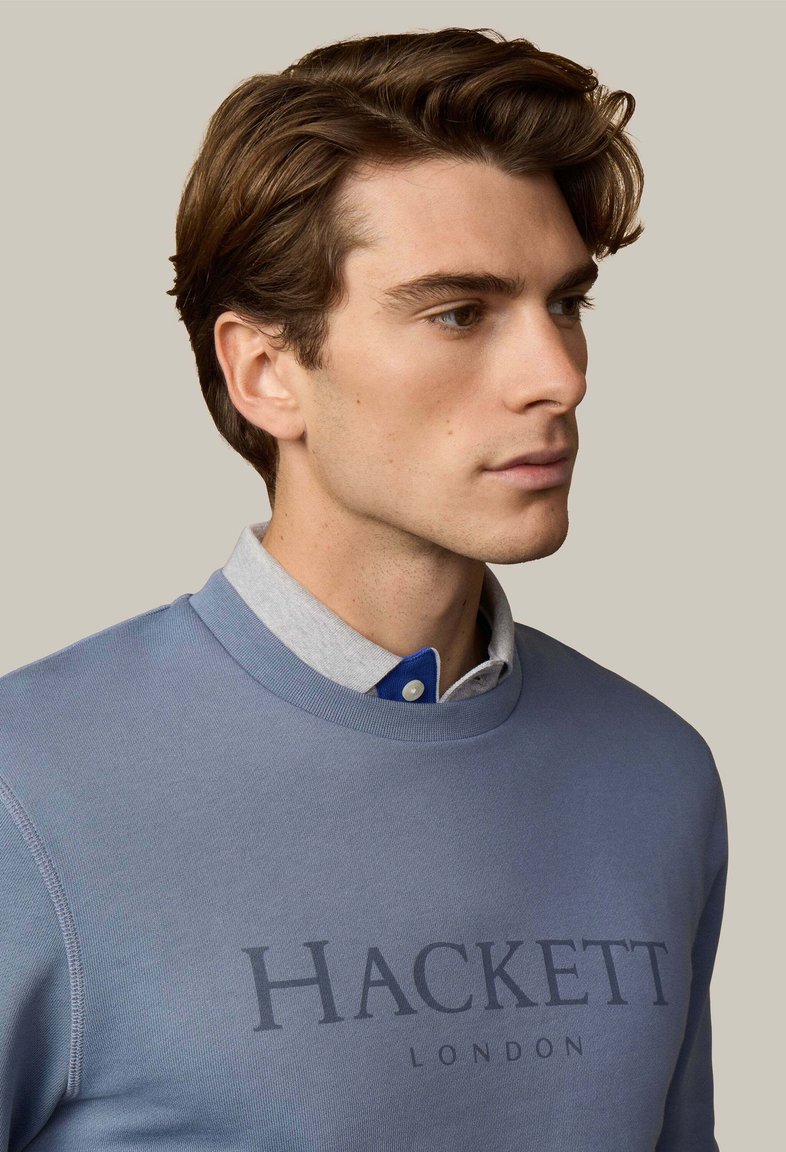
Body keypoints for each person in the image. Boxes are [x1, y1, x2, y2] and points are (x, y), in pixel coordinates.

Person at [0, 26, 727, 1152]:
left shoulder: (657, 772)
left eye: (565, 305)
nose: (558, 376)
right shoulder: (25, 790)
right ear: (266, 372)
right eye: (459, 312)